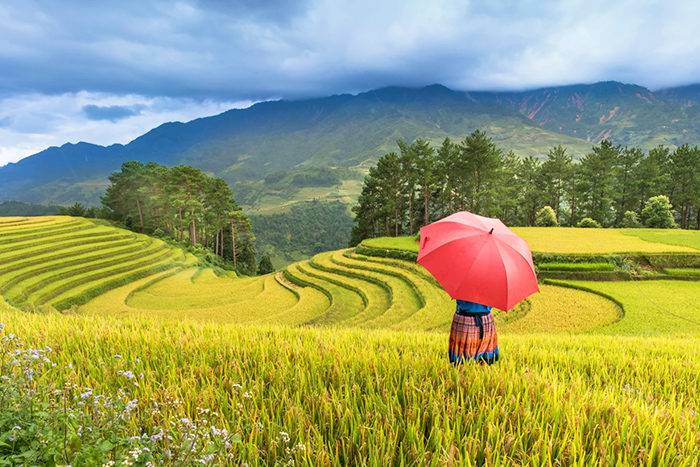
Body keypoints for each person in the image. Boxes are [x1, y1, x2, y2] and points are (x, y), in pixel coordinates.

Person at [448, 299, 499, 365]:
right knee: (483, 361)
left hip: (465, 321)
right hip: (485, 321)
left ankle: (461, 372)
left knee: (461, 359)